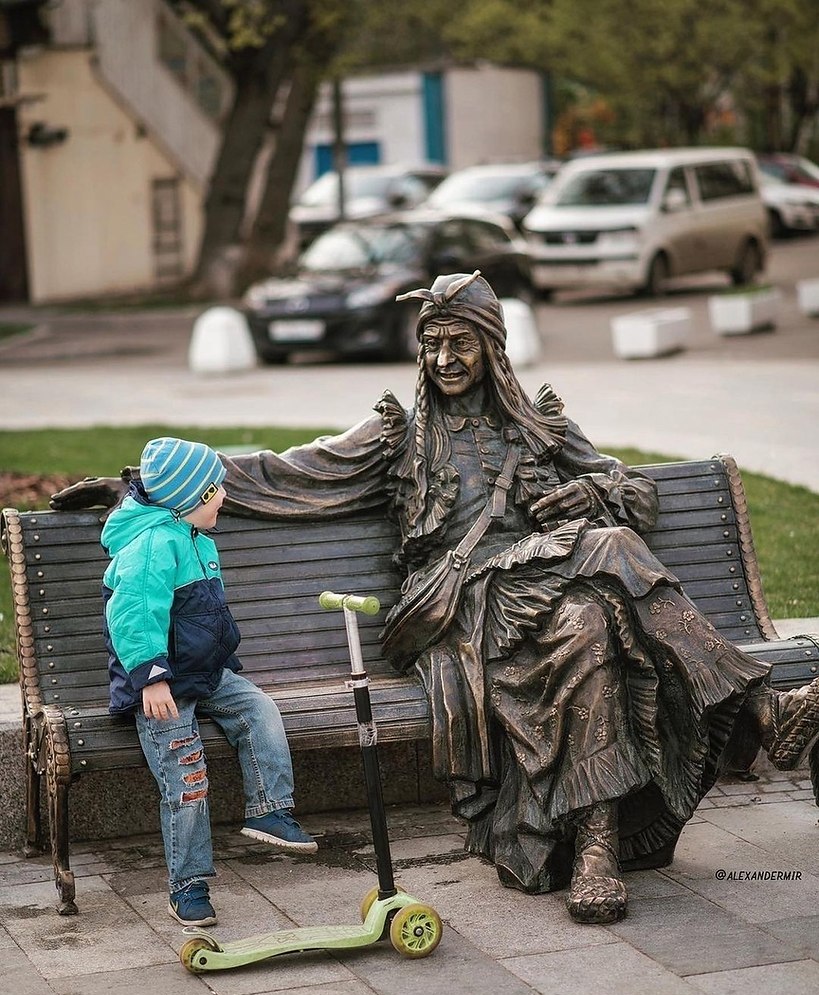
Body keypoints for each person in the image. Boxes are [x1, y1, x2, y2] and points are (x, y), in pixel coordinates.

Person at [57, 274, 819, 925]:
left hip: (543, 599)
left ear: (492, 347)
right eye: (432, 343)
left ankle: (593, 850)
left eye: (460, 342)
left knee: (590, 624)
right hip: (452, 608)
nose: (444, 358)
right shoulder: (399, 435)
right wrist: (144, 486)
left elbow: (633, 492)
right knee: (610, 552)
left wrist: (585, 488)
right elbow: (288, 472)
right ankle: (756, 706)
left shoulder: (538, 425)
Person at [101, 437, 317, 928]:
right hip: (163, 688)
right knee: (188, 781)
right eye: (217, 489)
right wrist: (152, 680)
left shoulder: (195, 536)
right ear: (192, 498)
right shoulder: (153, 545)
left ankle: (269, 808)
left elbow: (204, 616)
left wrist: (220, 659)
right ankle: (187, 884)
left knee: (260, 708)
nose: (223, 496)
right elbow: (133, 615)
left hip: (206, 675)